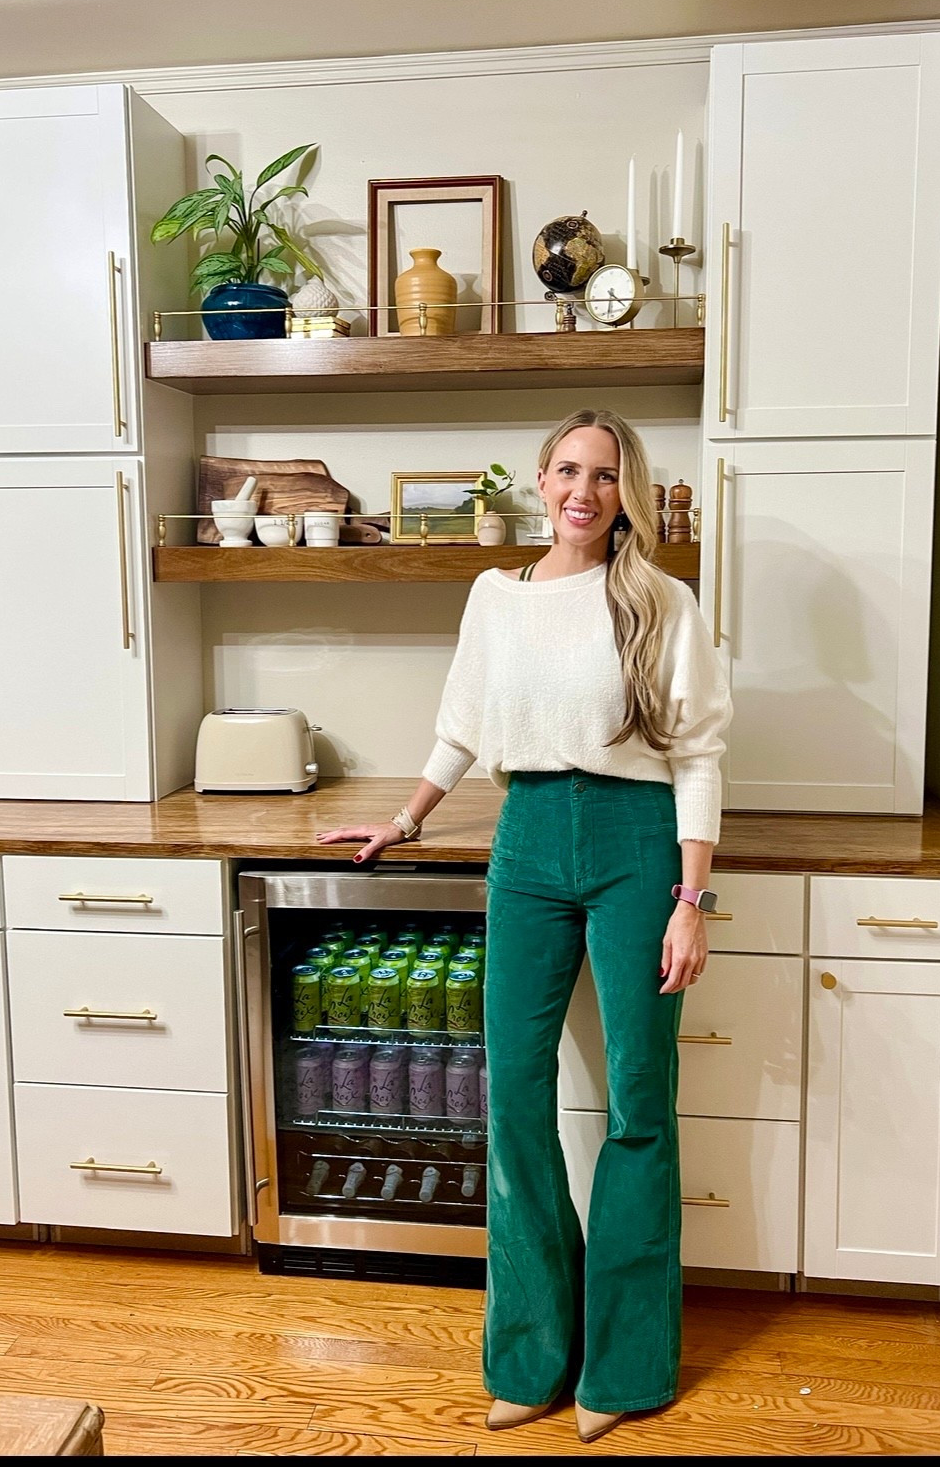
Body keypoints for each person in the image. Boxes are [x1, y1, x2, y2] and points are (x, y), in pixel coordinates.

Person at [315, 407, 732, 1443]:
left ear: (624, 488)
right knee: (513, 1092)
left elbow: (698, 757)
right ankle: (534, 1349)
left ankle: (626, 1363)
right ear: (540, 484)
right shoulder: (495, 596)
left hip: (639, 841)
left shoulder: (661, 601)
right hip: (529, 836)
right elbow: (462, 722)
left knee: (640, 1100)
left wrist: (692, 901)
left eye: (604, 473)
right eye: (566, 471)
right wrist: (405, 819)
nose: (583, 490)